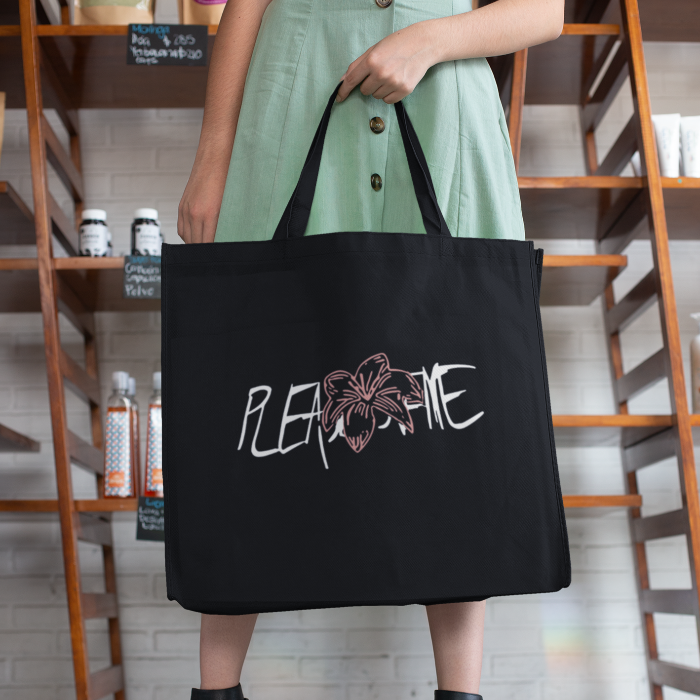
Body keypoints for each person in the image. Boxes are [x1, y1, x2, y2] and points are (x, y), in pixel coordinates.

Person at [178, 0, 564, 697]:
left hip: (443, 98)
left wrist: (429, 39)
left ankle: (460, 691)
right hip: (294, 94)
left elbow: (545, 10)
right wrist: (213, 154)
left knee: (453, 395)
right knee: (256, 390)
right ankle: (215, 689)